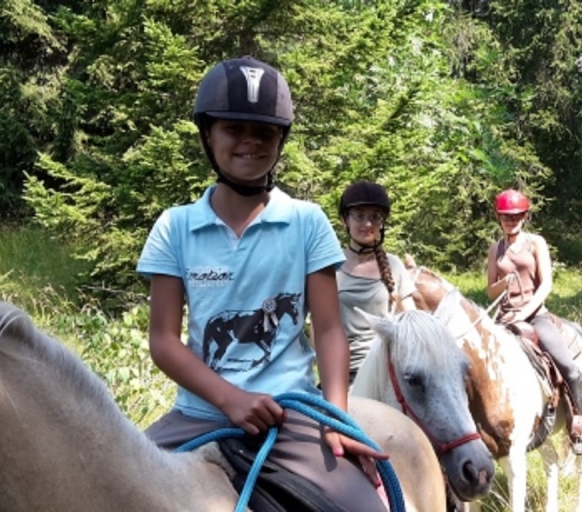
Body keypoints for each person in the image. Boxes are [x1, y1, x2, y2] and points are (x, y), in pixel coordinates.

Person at [136, 55, 387, 511]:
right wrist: (231, 399)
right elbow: (164, 341)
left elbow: (329, 329)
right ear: (207, 135)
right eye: (233, 129)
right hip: (199, 414)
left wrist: (336, 416)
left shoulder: (307, 222)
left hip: (290, 414)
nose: (250, 141)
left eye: (265, 132)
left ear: (280, 140)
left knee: (364, 507)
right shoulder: (174, 227)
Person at [484, 189, 582, 453]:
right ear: (498, 218)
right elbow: (490, 291)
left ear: (525, 216)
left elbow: (546, 285)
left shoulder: (535, 243)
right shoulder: (495, 250)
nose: (511, 221)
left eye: (516, 216)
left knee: (567, 366)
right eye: (506, 216)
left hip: (535, 316)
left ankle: (579, 428)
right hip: (504, 317)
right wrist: (504, 283)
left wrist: (524, 313)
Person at [336, 181, 417, 384]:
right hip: (345, 370)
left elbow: (412, 320)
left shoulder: (394, 265)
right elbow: (318, 330)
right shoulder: (331, 267)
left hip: (387, 371)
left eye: (374, 217)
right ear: (345, 220)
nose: (367, 224)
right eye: (359, 215)